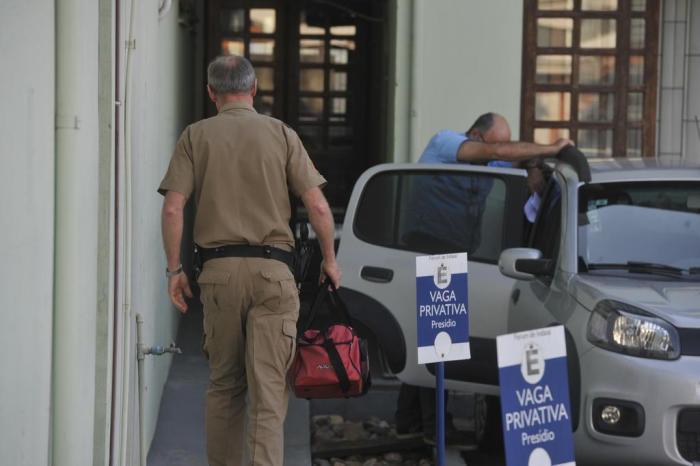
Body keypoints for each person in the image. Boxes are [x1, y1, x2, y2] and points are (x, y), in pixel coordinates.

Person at [158, 55, 341, 466]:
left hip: (219, 276)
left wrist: (175, 270)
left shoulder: (195, 136)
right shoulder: (281, 134)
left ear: (211, 93)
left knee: (225, 386)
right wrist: (330, 259)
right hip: (274, 274)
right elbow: (317, 205)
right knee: (269, 392)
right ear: (254, 89)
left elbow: (173, 209)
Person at [396, 112, 571, 447]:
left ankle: (409, 421)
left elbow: (515, 167)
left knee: (431, 341)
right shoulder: (445, 142)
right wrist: (552, 146)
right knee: (439, 342)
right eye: (495, 143)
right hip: (428, 253)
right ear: (475, 134)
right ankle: (436, 429)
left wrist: (535, 165)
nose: (499, 150)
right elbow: (500, 154)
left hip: (459, 258)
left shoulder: (490, 161)